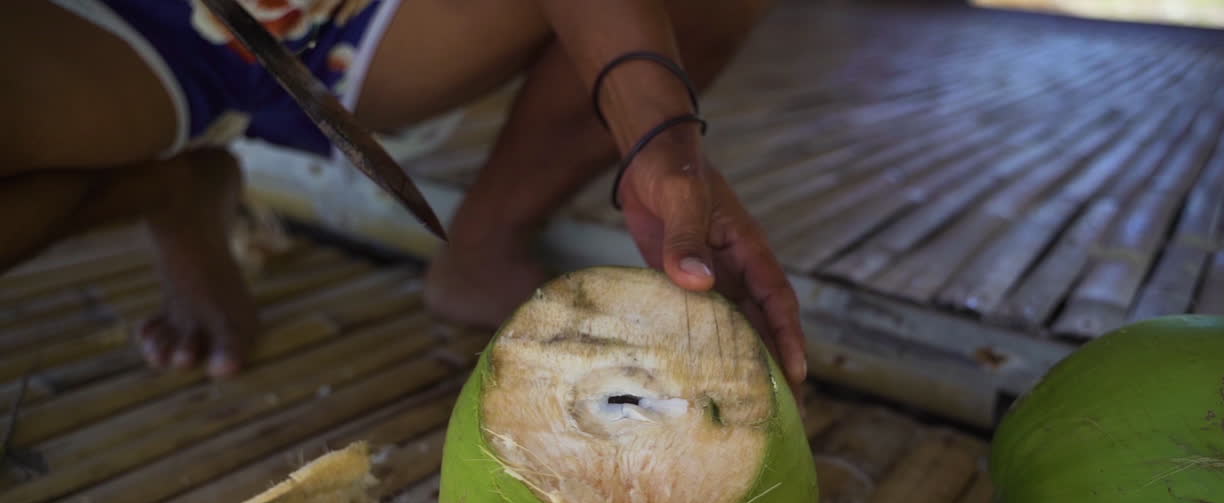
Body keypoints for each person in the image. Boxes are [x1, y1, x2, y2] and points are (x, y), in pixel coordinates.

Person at [2, 0, 807, 392]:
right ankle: (167, 186)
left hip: (367, 19)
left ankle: (487, 238)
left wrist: (657, 140)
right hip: (109, 26)